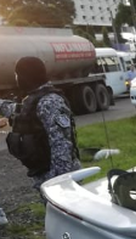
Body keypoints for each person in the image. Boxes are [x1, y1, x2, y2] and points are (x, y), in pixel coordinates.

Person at [0, 57, 81, 190]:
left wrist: (61, 184)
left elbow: (61, 145)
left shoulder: (50, 102)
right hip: (46, 176)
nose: (16, 79)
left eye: (17, 75)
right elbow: (15, 110)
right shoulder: (34, 101)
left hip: (60, 181)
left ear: (25, 76)